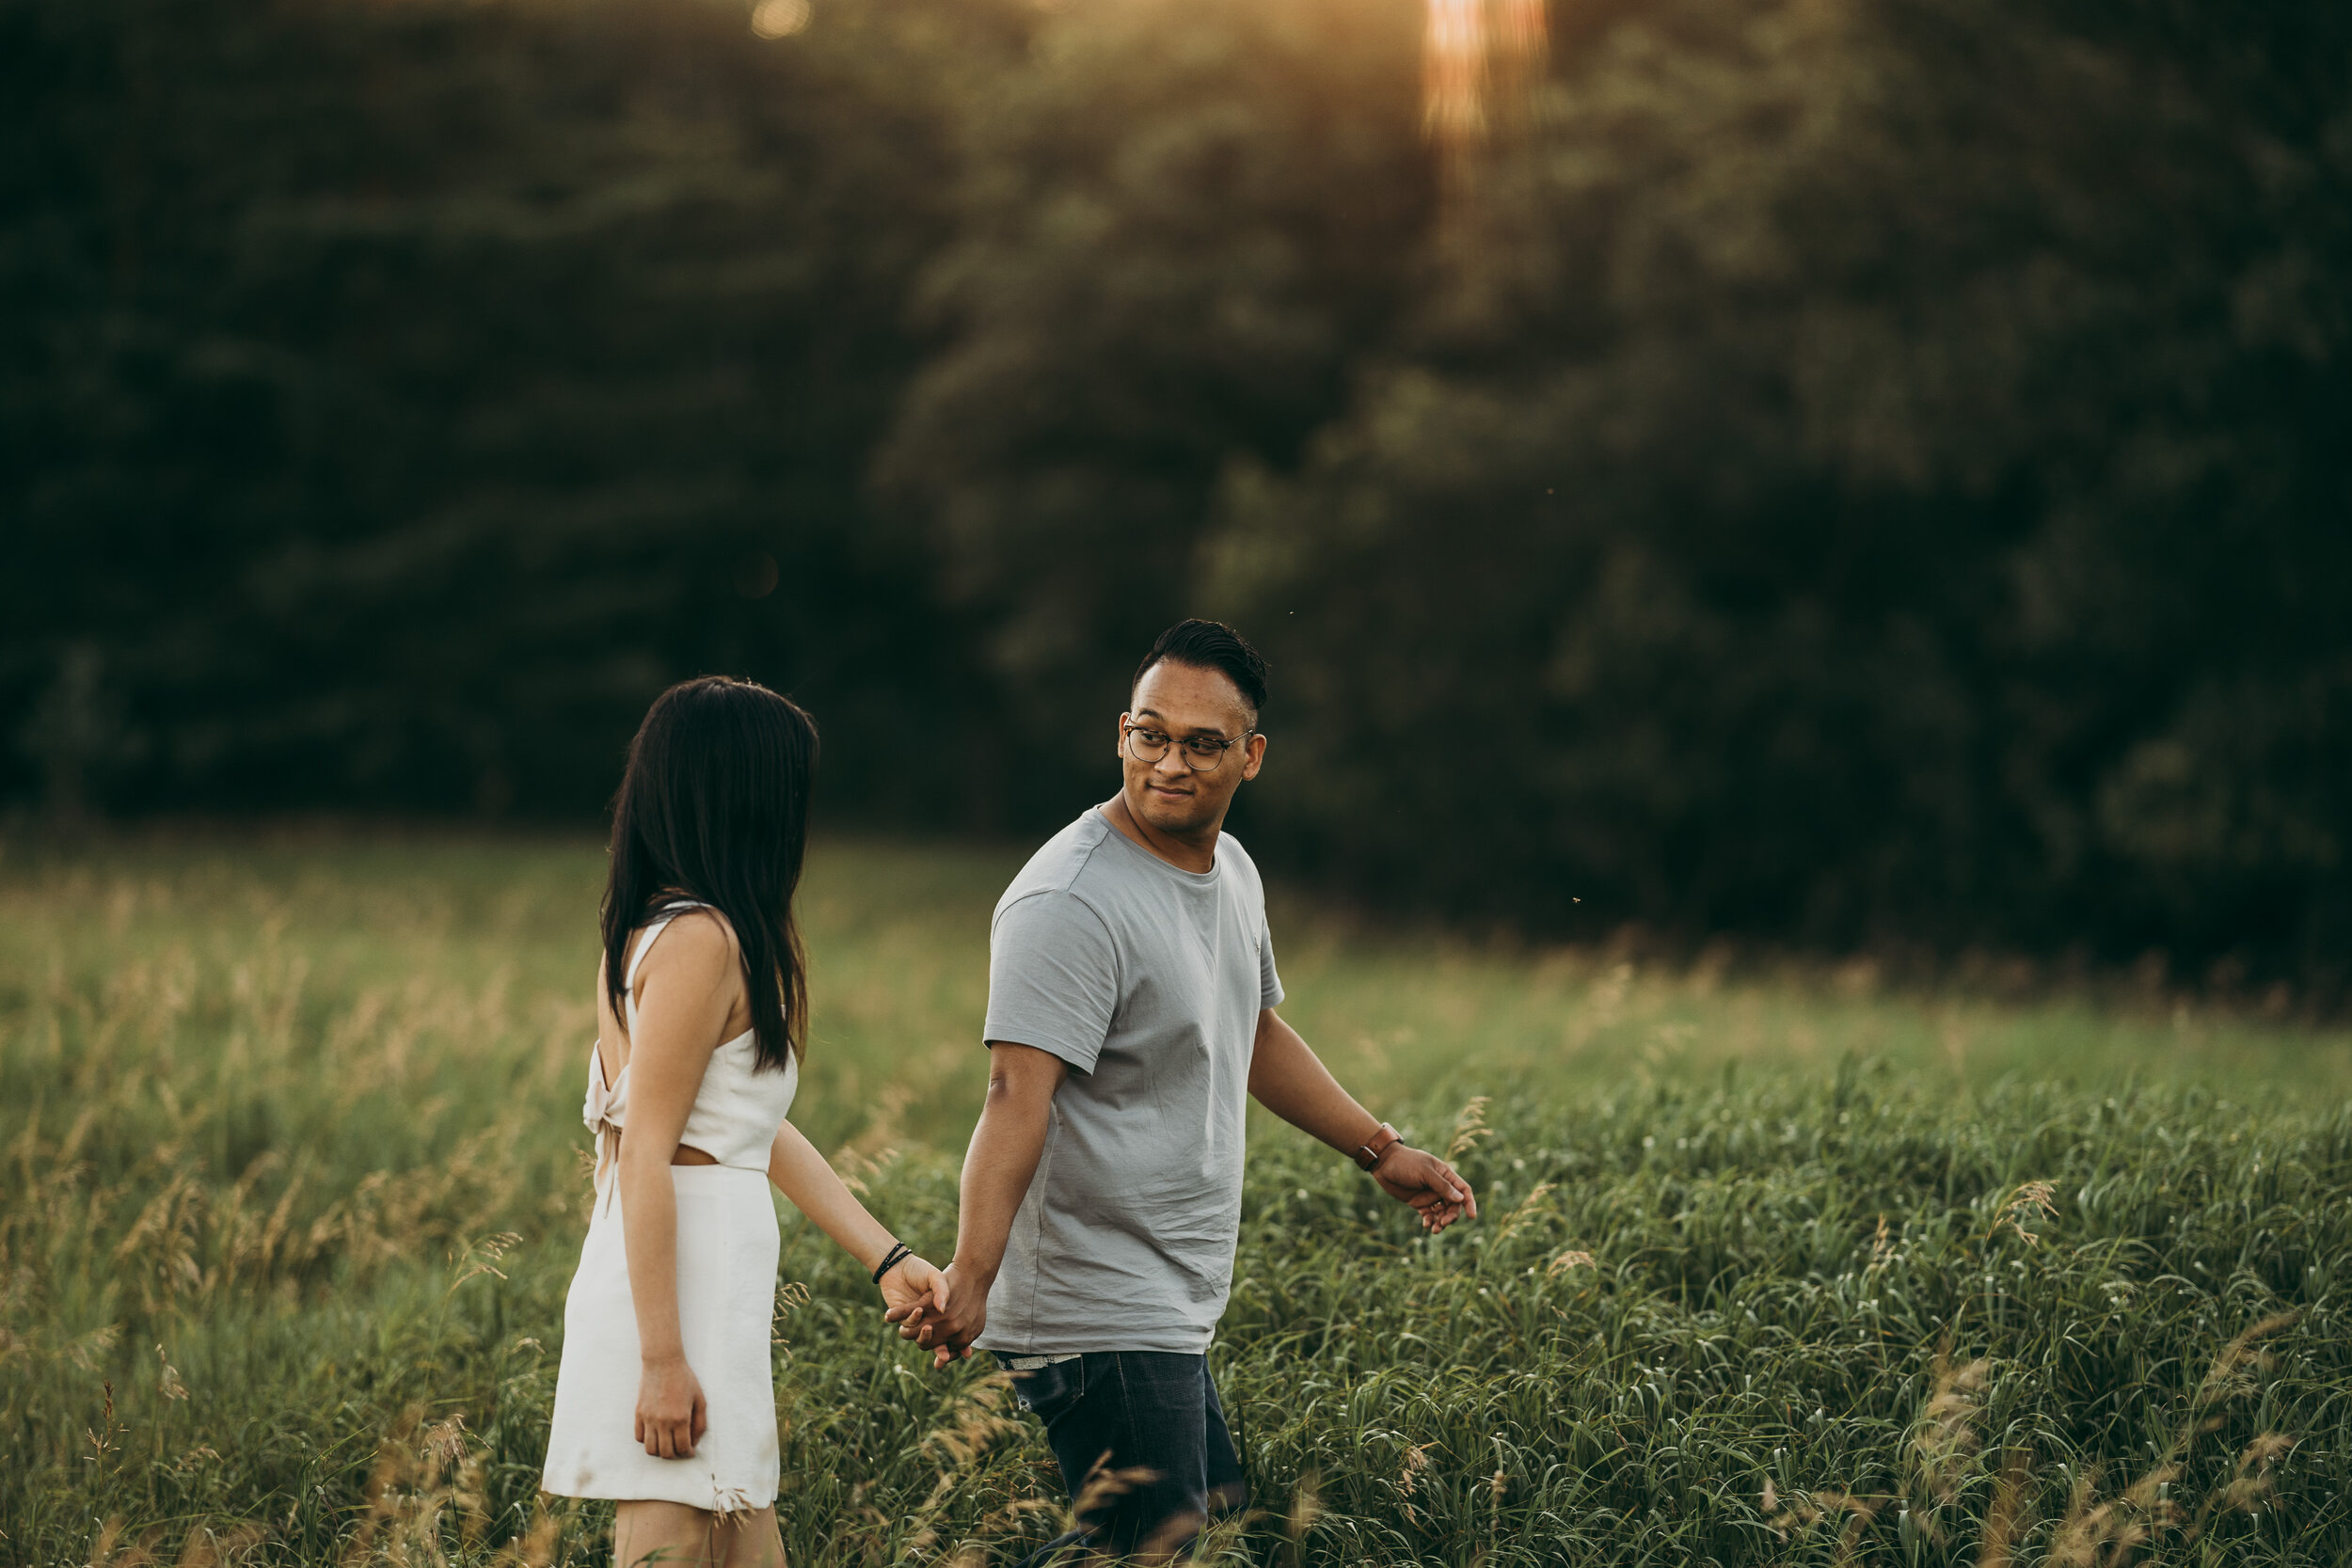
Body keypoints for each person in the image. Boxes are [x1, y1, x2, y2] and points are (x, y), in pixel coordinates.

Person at [891, 620, 1477, 1562]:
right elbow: (1013, 1093)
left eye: (1201, 743)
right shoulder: (1069, 899)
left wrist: (1380, 1148)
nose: (1169, 762)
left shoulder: (1229, 871)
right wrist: (972, 1273)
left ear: (1251, 757)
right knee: (1156, 1544)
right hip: (1092, 1296)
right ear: (1120, 731)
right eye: (1149, 734)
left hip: (1164, 1287)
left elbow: (1246, 1027)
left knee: (1205, 1525)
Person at [543, 676, 947, 1568]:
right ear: (747, 801)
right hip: (674, 1295)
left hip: (694, 1289)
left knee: (744, 1542)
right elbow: (647, 1152)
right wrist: (661, 1358)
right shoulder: (702, 941)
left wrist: (886, 1257)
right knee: (674, 1540)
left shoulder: (663, 930)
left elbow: (749, 1132)